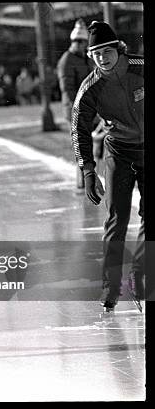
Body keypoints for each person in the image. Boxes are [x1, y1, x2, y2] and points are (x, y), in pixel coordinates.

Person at [71, 21, 144, 312]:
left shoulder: (140, 67)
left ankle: (141, 275)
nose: (103, 57)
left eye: (107, 51)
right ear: (91, 57)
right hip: (119, 152)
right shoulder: (90, 88)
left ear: (118, 49)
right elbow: (79, 128)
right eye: (96, 53)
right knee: (117, 217)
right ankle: (111, 286)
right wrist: (87, 170)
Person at [57, 19, 93, 189]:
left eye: (85, 43)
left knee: (89, 145)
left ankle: (89, 180)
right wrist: (77, 109)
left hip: (88, 108)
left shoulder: (84, 58)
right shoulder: (67, 60)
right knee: (81, 145)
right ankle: (83, 182)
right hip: (75, 110)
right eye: (81, 43)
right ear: (75, 42)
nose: (83, 46)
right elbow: (67, 89)